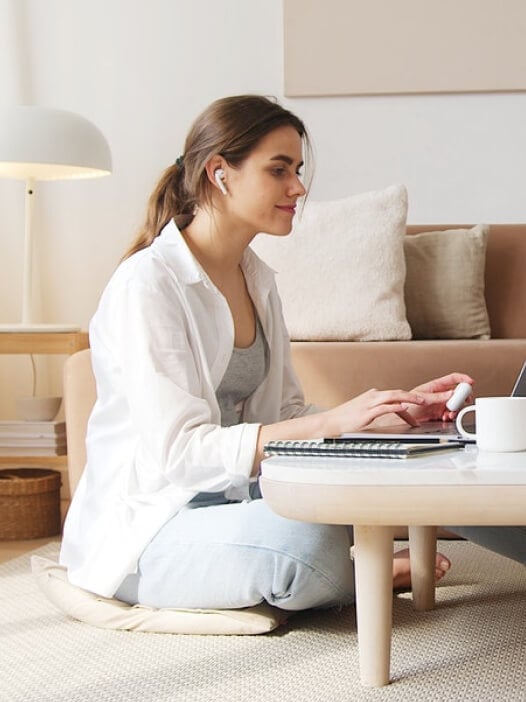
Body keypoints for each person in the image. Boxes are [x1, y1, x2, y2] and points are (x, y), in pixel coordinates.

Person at [60, 94, 473, 611]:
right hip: (151, 527)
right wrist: (334, 421)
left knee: (364, 488)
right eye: (279, 170)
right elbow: (181, 454)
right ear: (219, 173)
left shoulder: (257, 280)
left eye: (297, 170)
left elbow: (286, 416)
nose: (298, 187)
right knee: (304, 542)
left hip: (233, 500)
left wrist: (392, 413)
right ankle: (359, 574)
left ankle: (341, 565)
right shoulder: (148, 285)